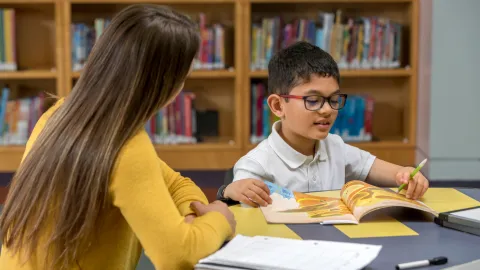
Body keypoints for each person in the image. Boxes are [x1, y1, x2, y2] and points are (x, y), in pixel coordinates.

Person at [0, 4, 235, 270]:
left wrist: (193, 216)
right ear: (165, 84)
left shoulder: (59, 115)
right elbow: (177, 257)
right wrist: (219, 219)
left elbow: (174, 183)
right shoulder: (125, 147)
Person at [217, 41, 429, 207]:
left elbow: (375, 168)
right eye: (313, 100)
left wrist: (406, 174)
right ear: (278, 106)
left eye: (333, 99)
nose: (327, 109)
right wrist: (233, 189)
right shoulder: (256, 163)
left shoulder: (334, 146)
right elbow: (238, 193)